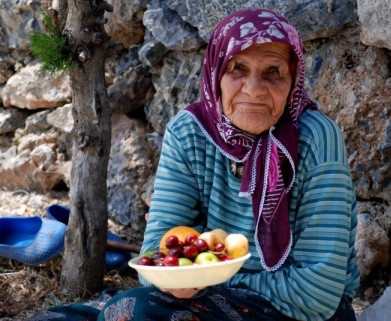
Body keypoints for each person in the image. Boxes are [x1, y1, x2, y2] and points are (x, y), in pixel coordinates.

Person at [28, 8, 359, 321]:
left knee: (136, 310)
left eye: (274, 72)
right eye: (238, 69)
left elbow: (318, 292)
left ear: (293, 81)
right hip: (198, 293)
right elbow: (157, 255)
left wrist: (205, 284)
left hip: (300, 309)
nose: (255, 89)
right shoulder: (189, 132)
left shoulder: (316, 138)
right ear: (216, 74)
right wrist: (175, 281)